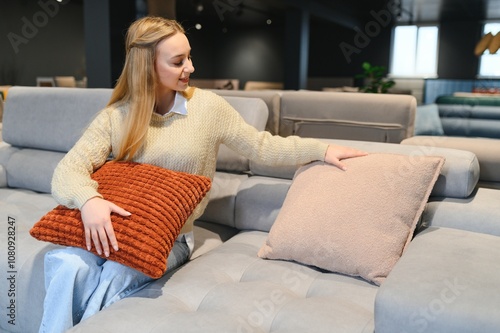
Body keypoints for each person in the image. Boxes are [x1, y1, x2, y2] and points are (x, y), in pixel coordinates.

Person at [38, 16, 367, 333]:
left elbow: (262, 146)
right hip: (115, 228)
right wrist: (89, 200)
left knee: (115, 274)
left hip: (172, 238)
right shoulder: (116, 117)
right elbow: (69, 169)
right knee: (68, 264)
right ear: (147, 67)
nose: (191, 68)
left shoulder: (208, 108)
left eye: (189, 57)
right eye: (178, 61)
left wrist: (321, 150)